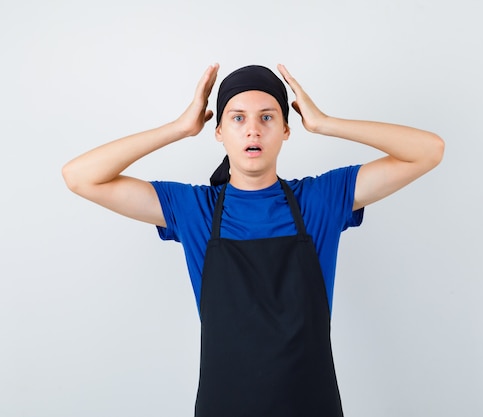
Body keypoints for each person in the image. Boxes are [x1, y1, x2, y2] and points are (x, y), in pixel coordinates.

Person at [62, 63, 444, 416]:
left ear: (286, 130)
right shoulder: (195, 209)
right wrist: (178, 128)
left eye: (267, 117)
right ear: (219, 132)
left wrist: (326, 123)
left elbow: (428, 151)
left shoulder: (321, 200)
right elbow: (80, 176)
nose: (253, 130)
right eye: (238, 118)